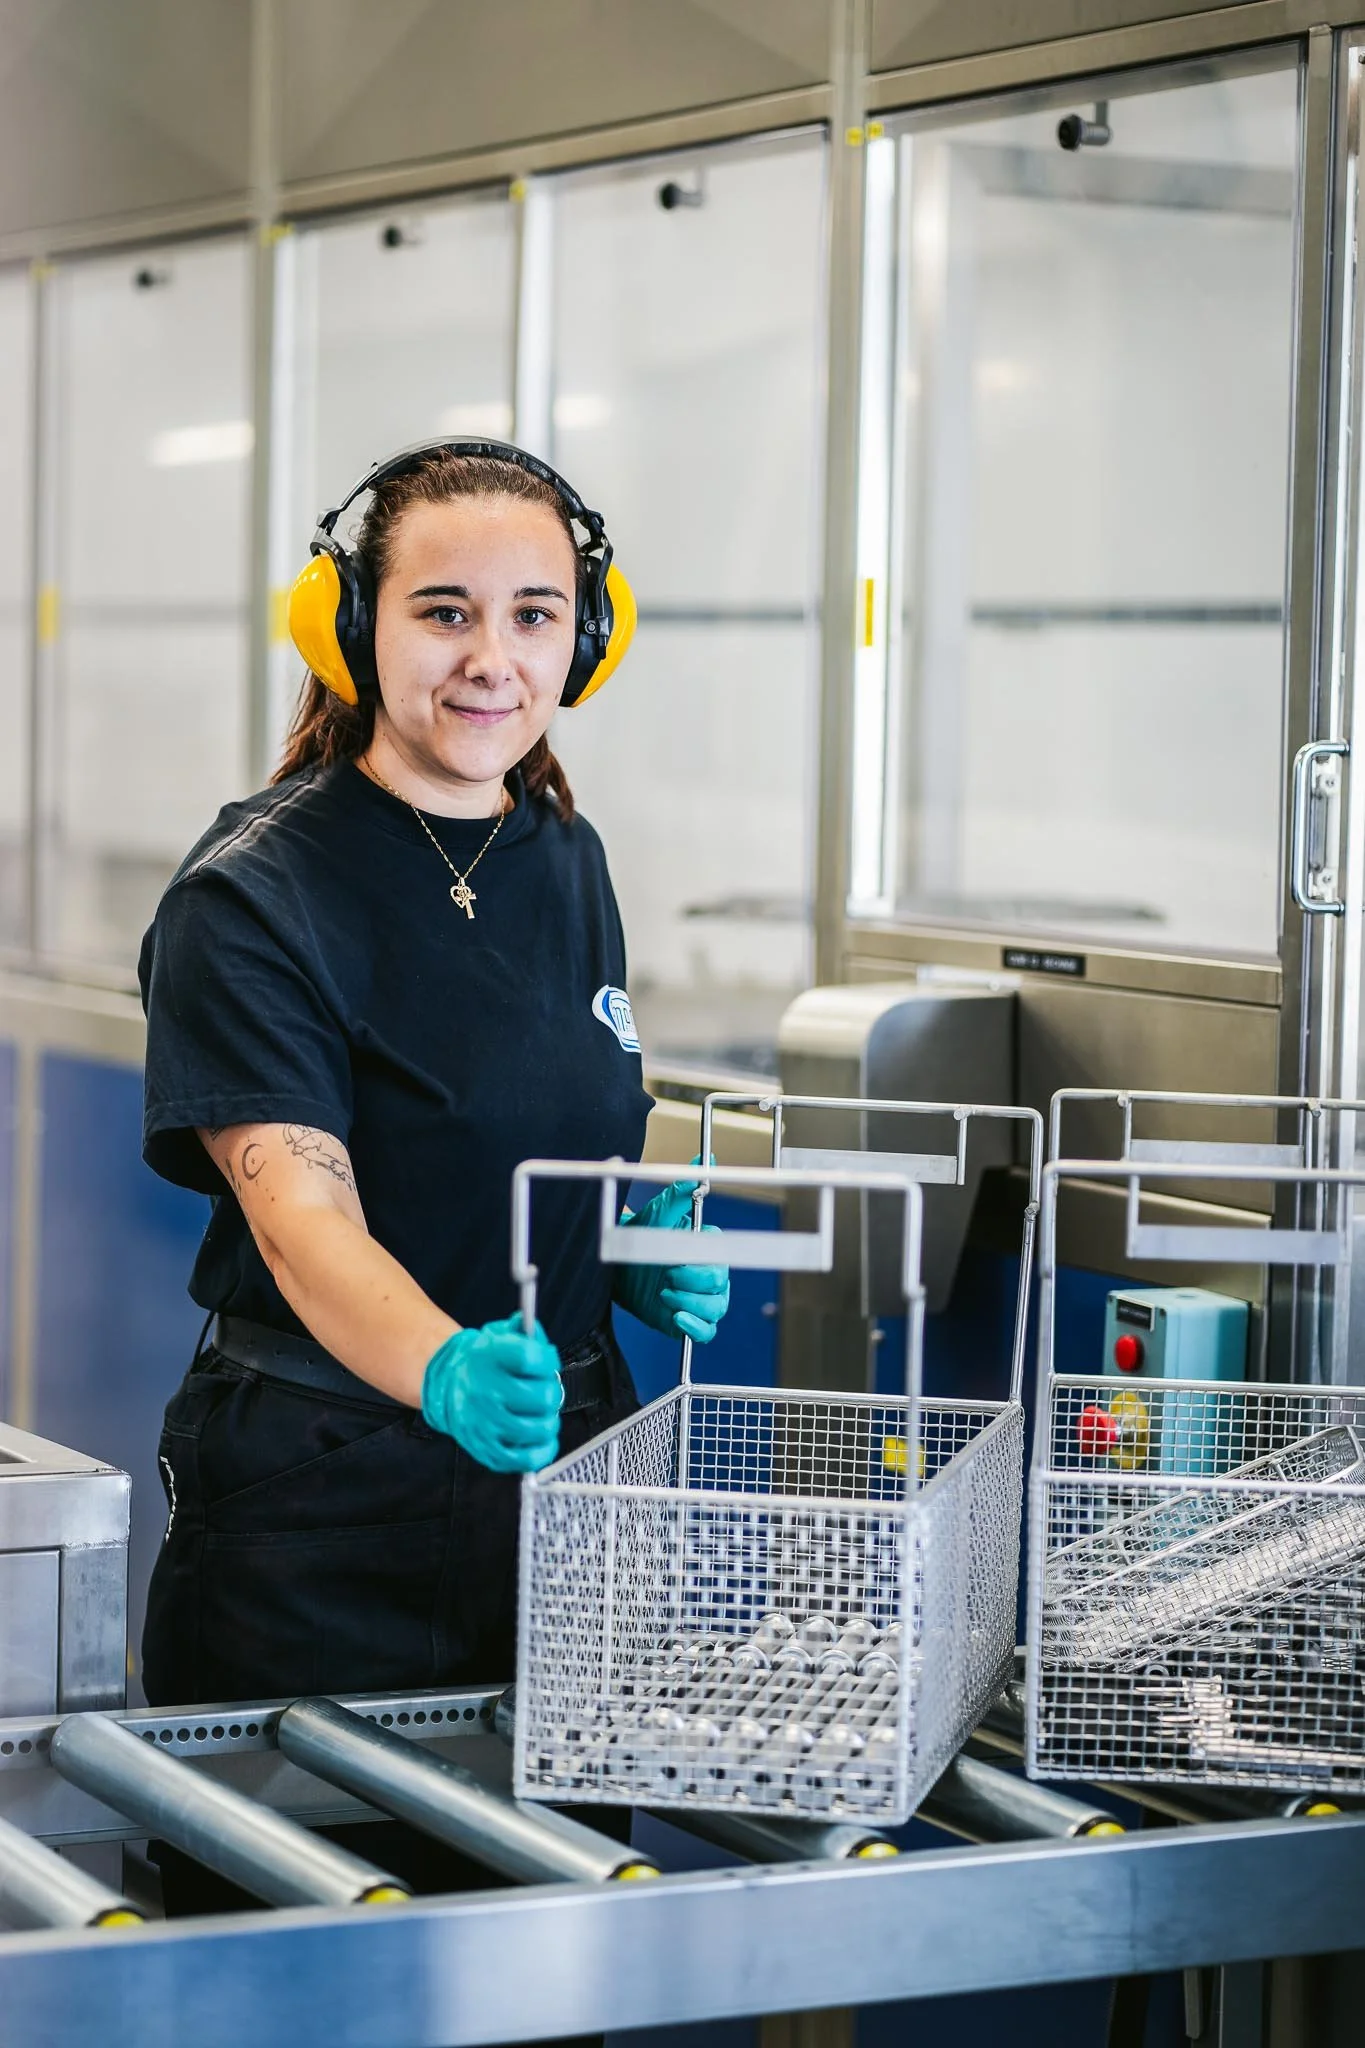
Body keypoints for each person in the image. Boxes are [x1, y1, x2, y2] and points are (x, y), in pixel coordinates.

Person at [137, 439, 730, 1911]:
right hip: (329, 1507)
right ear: (352, 630)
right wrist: (448, 1367)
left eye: (535, 613)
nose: (493, 657)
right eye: (444, 610)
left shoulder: (563, 853)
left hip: (574, 1486)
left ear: (587, 636)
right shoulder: (255, 894)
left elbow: (543, 1126)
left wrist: (619, 1248)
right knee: (305, 1948)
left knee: (553, 1939)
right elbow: (302, 1216)